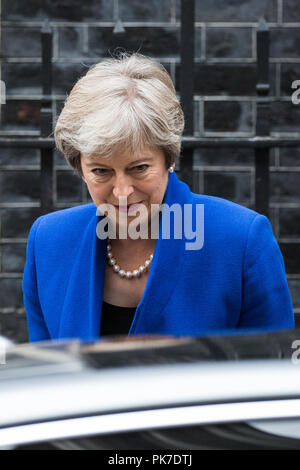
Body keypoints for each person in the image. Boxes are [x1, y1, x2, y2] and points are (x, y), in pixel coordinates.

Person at [22, 53, 294, 342]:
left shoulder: (240, 240)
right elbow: (50, 375)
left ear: (169, 157)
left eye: (139, 168)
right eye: (101, 171)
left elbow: (270, 371)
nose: (122, 192)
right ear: (80, 167)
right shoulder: (49, 241)